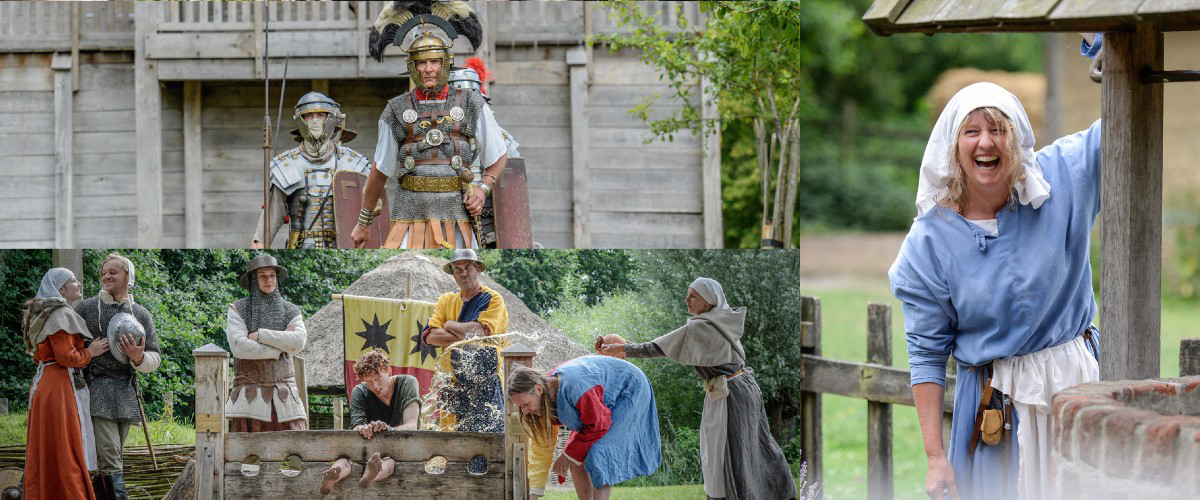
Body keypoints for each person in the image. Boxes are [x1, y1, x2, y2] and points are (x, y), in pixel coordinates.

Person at [889, 37, 1104, 500]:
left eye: (997, 129)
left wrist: (1108, 48)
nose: (985, 142)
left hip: (1079, 389)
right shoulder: (928, 244)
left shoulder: (1061, 179)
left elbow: (1120, 125)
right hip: (996, 409)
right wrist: (934, 459)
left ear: (1018, 138)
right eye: (971, 131)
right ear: (953, 146)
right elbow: (926, 357)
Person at [597, 277, 796, 500]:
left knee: (731, 453)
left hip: (731, 395)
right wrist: (626, 348)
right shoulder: (722, 320)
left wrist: (624, 348)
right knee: (750, 450)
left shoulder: (702, 326)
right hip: (741, 388)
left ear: (709, 302)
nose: (687, 300)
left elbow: (657, 348)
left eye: (693, 296)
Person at [356, 0, 508, 248]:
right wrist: (363, 223)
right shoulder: (395, 109)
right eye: (421, 63)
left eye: (434, 62)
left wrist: (482, 189)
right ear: (413, 66)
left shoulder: (471, 103)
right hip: (409, 216)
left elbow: (498, 154)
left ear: (445, 63)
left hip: (458, 218)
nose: (428, 69)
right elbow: (380, 170)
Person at [509, 356, 661, 500]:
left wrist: (567, 455)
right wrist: (535, 493)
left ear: (538, 389)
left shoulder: (575, 386)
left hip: (629, 388)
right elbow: (541, 447)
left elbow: (598, 425)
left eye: (525, 404)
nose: (524, 411)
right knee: (577, 459)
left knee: (598, 451)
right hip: (597, 413)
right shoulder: (541, 402)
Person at [75, 254, 162, 500]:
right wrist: (87, 354)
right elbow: (67, 349)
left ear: (128, 277)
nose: (106, 276)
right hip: (96, 389)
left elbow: (155, 356)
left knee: (111, 460)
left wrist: (138, 357)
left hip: (124, 391)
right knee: (111, 459)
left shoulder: (141, 314)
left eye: (113, 271)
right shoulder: (86, 308)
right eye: (104, 272)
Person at [22, 268, 109, 500]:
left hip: (47, 384)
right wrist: (90, 352)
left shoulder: (47, 312)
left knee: (53, 445)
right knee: (65, 446)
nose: (78, 283)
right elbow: (65, 357)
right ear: (61, 289)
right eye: (73, 281)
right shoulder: (60, 315)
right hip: (58, 386)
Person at [251, 91, 373, 249]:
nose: (315, 121)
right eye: (309, 116)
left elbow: (374, 217)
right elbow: (265, 230)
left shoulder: (354, 163)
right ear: (300, 121)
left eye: (321, 115)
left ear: (330, 119)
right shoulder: (285, 166)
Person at [421, 249, 509, 433]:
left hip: (485, 383)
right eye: (457, 269)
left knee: (488, 439)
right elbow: (430, 336)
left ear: (477, 268)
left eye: (467, 267)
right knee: (452, 443)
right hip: (453, 383)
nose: (463, 273)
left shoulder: (492, 299)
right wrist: (464, 334)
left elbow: (480, 332)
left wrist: (450, 324)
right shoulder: (446, 300)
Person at [224, 255, 308, 431]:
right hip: (249, 394)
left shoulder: (290, 310)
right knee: (247, 453)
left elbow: (298, 342)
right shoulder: (238, 309)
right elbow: (239, 347)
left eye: (272, 275)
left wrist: (260, 335)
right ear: (254, 280)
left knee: (293, 450)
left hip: (285, 395)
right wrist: (279, 348)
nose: (269, 280)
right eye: (263, 276)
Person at [320, 348, 420, 495]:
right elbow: (357, 425)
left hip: (398, 449)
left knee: (390, 461)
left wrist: (388, 430)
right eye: (369, 381)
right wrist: (363, 428)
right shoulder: (359, 392)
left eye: (378, 378)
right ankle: (333, 476)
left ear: (389, 371)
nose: (375, 386)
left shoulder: (408, 383)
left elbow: (412, 425)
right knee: (345, 459)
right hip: (368, 448)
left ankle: (372, 474)